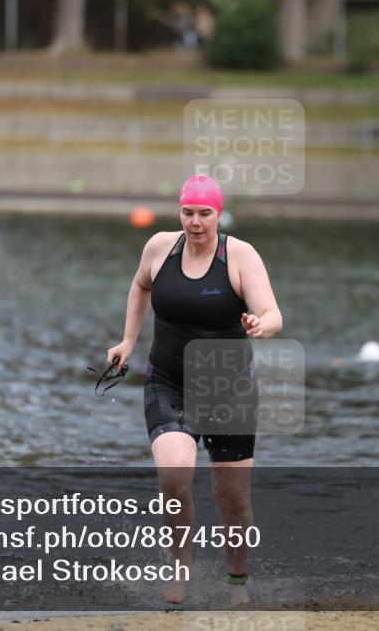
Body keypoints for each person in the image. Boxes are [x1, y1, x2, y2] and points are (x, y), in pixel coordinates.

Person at [106, 174, 282, 605]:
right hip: (168, 382)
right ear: (179, 212)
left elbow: (272, 313)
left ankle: (237, 579)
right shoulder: (160, 247)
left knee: (232, 497)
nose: (195, 222)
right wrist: (128, 341)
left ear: (219, 214)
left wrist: (261, 325)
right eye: (188, 212)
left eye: (205, 213)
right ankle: (179, 568)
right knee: (174, 476)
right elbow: (140, 285)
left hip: (229, 391)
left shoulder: (239, 255)